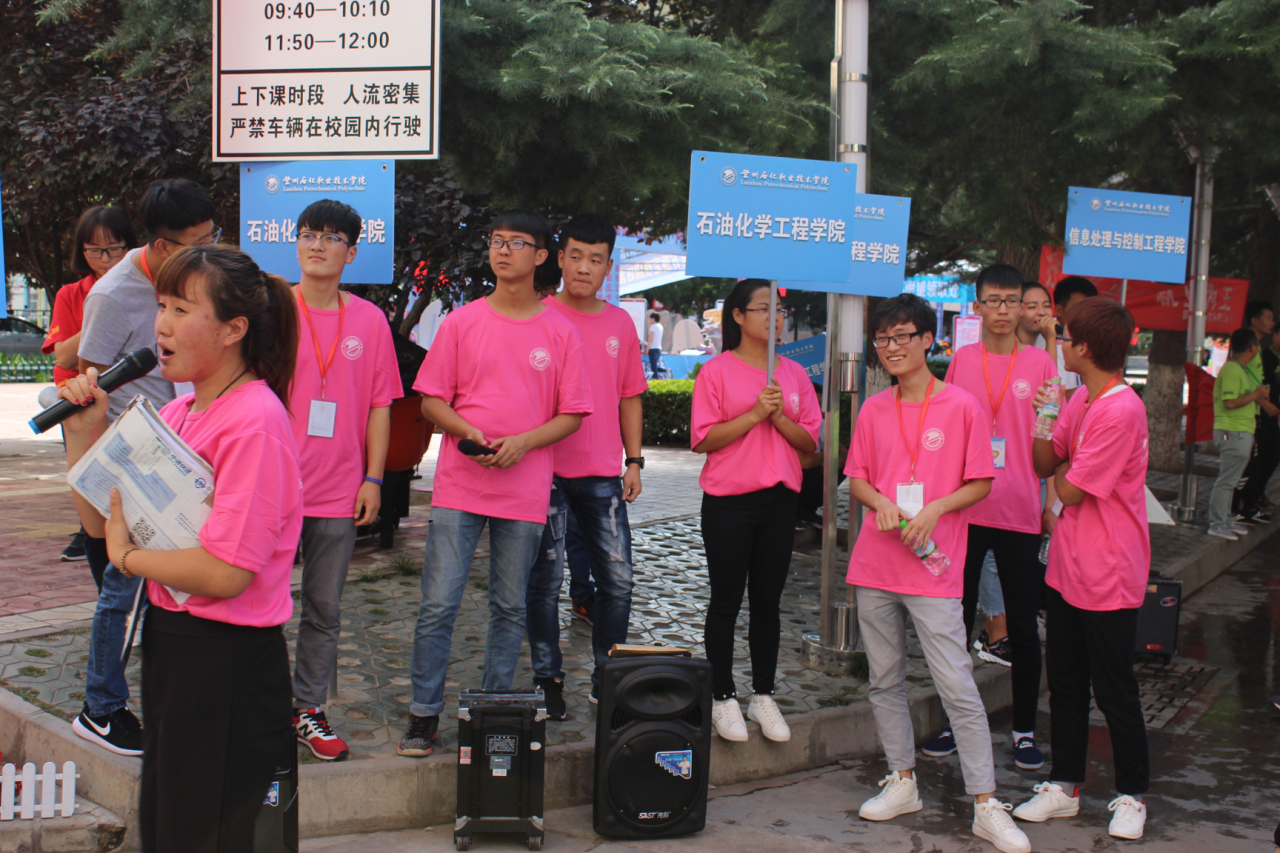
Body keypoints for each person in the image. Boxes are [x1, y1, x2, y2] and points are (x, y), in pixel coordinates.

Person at [59, 245, 302, 852]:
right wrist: (84, 432)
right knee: (171, 824)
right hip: (174, 644)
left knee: (208, 832)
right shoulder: (178, 411)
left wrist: (129, 560)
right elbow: (101, 525)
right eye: (161, 305)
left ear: (233, 329)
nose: (161, 325)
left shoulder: (255, 422)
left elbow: (226, 572)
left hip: (229, 663)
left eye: (180, 309)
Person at [399, 210, 592, 756]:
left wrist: (523, 443)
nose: (503, 250)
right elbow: (431, 400)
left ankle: (491, 711)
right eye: (496, 241)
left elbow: (572, 414)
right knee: (439, 604)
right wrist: (467, 431)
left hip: (525, 489)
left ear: (541, 256)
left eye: (517, 242)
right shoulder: (462, 323)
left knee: (509, 607)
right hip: (460, 484)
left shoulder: (560, 331)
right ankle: (423, 714)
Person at [845, 294, 1028, 853]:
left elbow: (981, 482)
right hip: (876, 565)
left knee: (956, 684)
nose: (892, 347)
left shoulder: (961, 406)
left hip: (934, 569)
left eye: (903, 336)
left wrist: (935, 509)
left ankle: (986, 803)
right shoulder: (874, 409)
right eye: (883, 339)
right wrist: (880, 501)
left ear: (928, 340)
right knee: (885, 680)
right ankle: (902, 780)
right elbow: (858, 478)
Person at [71, 177, 219, 756]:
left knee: (173, 587)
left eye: (212, 238)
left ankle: (166, 699)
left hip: (190, 454)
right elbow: (88, 381)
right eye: (197, 243)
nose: (208, 251)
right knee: (124, 585)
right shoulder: (112, 296)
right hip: (139, 462)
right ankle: (101, 708)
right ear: (161, 246)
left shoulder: (198, 276)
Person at [1019, 297, 1151, 841]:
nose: (1062, 344)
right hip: (1068, 566)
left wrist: (1063, 468)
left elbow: (1069, 490)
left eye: (1067, 336)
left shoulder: (1121, 409)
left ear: (1087, 348)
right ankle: (1064, 785)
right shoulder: (1079, 398)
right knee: (1067, 684)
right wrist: (1048, 415)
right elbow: (1042, 463)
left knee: (1115, 690)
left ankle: (1132, 795)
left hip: (1110, 570)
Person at [924, 264, 1058, 772]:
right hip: (966, 510)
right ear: (977, 307)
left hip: (1020, 510)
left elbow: (1050, 440)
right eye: (993, 301)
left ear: (1023, 307)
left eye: (1012, 301)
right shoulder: (961, 360)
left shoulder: (1041, 364)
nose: (1003, 311)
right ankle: (954, 723)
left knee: (1022, 626)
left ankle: (1024, 731)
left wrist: (1050, 503)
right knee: (954, 623)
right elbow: (947, 432)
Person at [287, 200, 401, 760]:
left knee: (324, 609)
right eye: (309, 234)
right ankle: (257, 704)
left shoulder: (370, 321)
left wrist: (373, 478)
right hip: (272, 486)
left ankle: (308, 709)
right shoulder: (272, 311)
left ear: (351, 253)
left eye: (331, 238)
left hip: (338, 490)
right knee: (253, 603)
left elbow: (381, 405)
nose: (317, 244)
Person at [524, 214, 648, 717]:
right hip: (545, 471)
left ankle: (607, 676)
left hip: (602, 475)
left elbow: (630, 396)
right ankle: (547, 678)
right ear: (560, 258)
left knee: (618, 582)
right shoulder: (538, 315)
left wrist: (634, 461)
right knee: (545, 582)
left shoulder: (619, 324)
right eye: (575, 256)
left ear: (608, 267)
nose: (583, 267)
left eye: (595, 259)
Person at [691, 279, 821, 745]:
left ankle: (762, 694)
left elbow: (810, 444)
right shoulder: (716, 372)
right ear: (739, 316)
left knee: (768, 602)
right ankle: (723, 695)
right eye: (763, 309)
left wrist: (779, 416)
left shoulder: (795, 374)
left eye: (779, 311)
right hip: (729, 502)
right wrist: (752, 415)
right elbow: (703, 439)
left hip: (779, 502)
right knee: (726, 600)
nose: (775, 318)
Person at [42, 205, 138, 565]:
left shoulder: (143, 289)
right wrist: (105, 313)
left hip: (128, 403)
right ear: (81, 251)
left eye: (114, 248)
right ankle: (90, 538)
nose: (106, 259)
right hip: (83, 403)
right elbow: (64, 356)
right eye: (95, 250)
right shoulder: (72, 294)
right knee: (90, 480)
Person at [1206, 328, 1267, 540]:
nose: (1258, 348)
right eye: (1256, 345)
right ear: (1251, 347)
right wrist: (1256, 395)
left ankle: (1224, 519)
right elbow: (1230, 402)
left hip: (1241, 431)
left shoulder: (1239, 368)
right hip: (1232, 431)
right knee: (1227, 480)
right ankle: (1217, 523)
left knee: (1231, 480)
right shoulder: (1232, 370)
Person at [1233, 300, 1278, 523]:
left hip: (1256, 414)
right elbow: (1243, 385)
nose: (1272, 322)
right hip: (1247, 416)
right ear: (1255, 320)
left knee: (1262, 459)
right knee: (1248, 463)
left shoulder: (1257, 348)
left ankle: (1249, 503)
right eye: (1268, 318)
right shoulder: (1247, 350)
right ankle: (1238, 507)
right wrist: (1264, 403)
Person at [1041, 276, 1098, 400]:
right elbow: (1053, 396)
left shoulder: (1086, 337)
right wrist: (1093, 390)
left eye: (1090, 310)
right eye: (1078, 309)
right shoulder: (1045, 337)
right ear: (1059, 310)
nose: (1085, 315)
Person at [647, 311, 664, 378]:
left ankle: (655, 379)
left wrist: (647, 349)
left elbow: (651, 339)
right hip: (659, 348)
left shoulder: (653, 326)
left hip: (653, 348)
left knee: (653, 367)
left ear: (653, 319)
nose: (650, 320)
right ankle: (665, 371)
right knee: (655, 365)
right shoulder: (660, 326)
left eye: (650, 319)